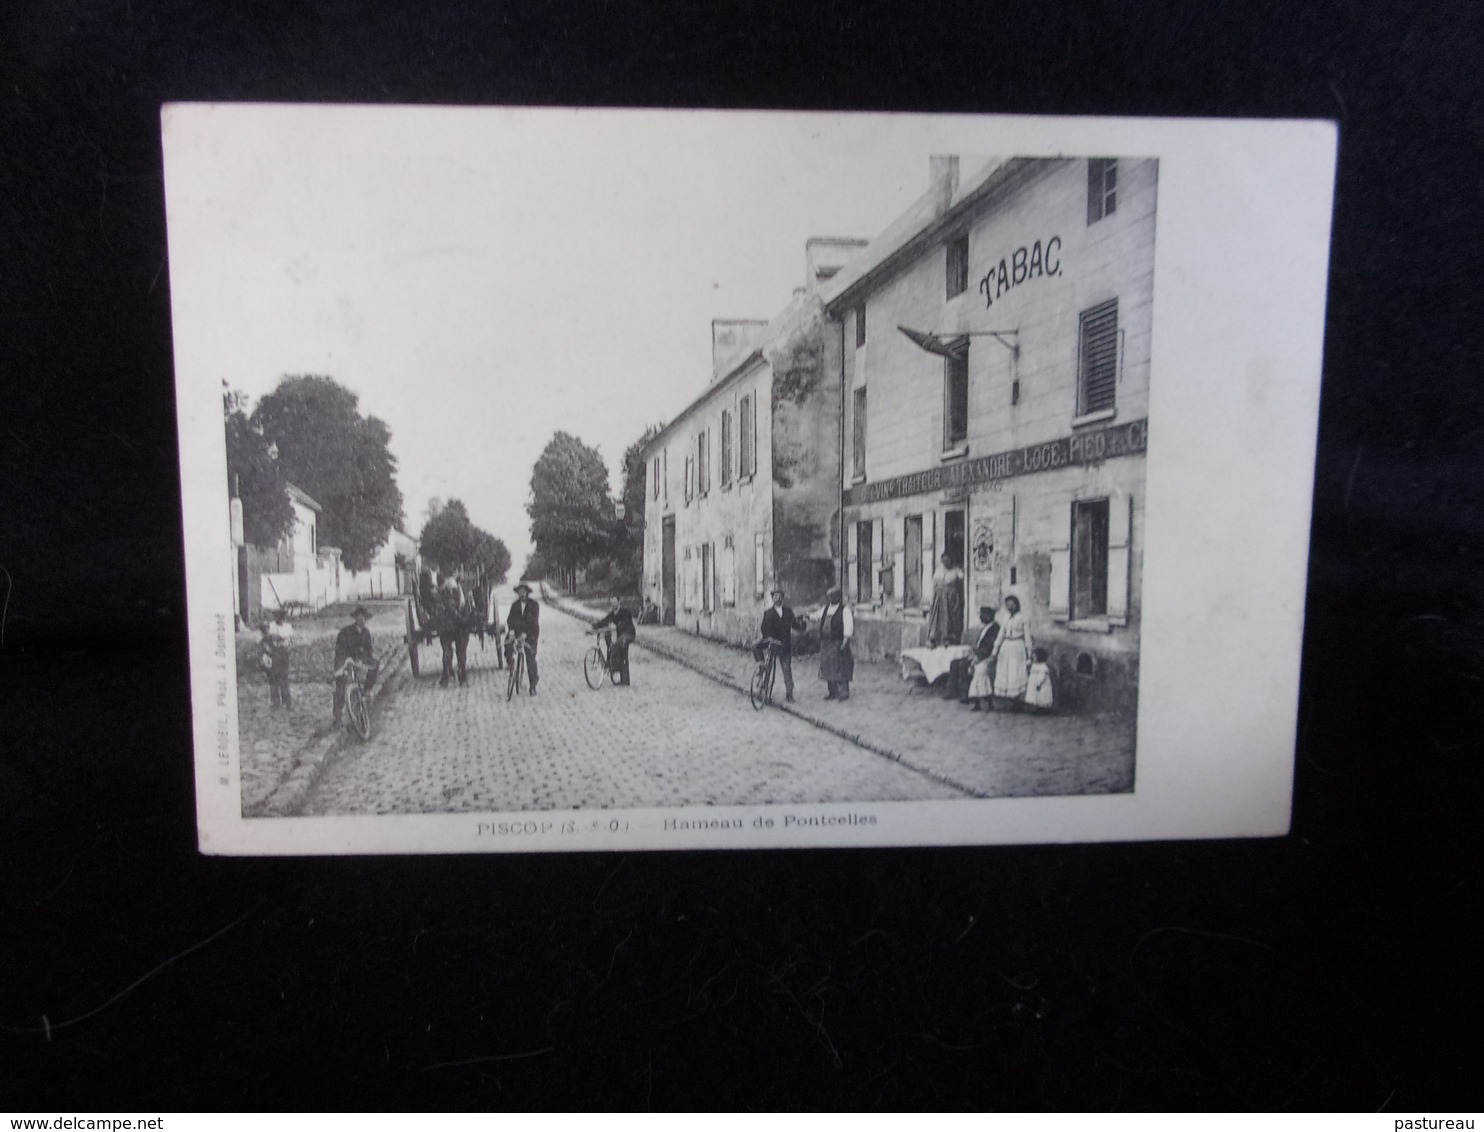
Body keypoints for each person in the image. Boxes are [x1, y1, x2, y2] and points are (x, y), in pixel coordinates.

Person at [753, 587, 808, 702]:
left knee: (786, 669)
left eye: (779, 596)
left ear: (782, 598)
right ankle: (764, 689)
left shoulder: (788, 611)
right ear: (772, 598)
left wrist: (803, 624)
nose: (777, 598)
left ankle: (789, 694)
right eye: (775, 596)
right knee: (766, 665)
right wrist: (769, 638)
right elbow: (764, 628)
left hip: (784, 645)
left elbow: (794, 625)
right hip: (772, 643)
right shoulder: (768, 613)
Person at [332, 606, 379, 725]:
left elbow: (369, 650)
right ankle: (337, 716)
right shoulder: (346, 632)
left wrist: (362, 659)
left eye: (364, 618)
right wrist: (347, 661)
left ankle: (367, 690)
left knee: (375, 663)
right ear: (355, 619)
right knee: (341, 685)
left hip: (359, 660)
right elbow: (340, 650)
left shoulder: (366, 633)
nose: (362, 620)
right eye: (359, 617)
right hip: (344, 659)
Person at [989, 594, 1033, 707]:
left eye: (1012, 604)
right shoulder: (1005, 619)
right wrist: (995, 652)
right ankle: (1010, 698)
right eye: (1007, 605)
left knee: (1016, 672)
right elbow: (1000, 635)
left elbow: (1027, 636)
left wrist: (1029, 654)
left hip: (1017, 646)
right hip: (1006, 647)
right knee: (1006, 672)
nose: (1009, 607)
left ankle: (1018, 700)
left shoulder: (1023, 618)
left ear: (1017, 605)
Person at [959, 605, 1002, 710]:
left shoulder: (995, 628)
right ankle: (962, 693)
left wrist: (977, 654)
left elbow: (990, 647)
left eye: (983, 615)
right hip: (979, 654)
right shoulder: (986, 627)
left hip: (985, 657)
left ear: (989, 616)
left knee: (963, 665)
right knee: (956, 663)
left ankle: (969, 695)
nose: (980, 618)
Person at [817, 585, 855, 700]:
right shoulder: (826, 608)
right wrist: (807, 616)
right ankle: (832, 692)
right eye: (829, 597)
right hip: (826, 643)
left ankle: (843, 692)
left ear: (838, 597)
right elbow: (817, 615)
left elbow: (849, 626)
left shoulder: (845, 610)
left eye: (833, 596)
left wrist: (845, 640)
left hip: (838, 642)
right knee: (828, 667)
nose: (831, 599)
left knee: (841, 667)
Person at [434, 574, 472, 687]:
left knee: (453, 651)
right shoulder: (458, 592)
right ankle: (458, 675)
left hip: (453, 625)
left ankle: (450, 675)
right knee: (454, 651)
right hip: (454, 624)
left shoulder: (445, 593)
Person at [592, 596, 637, 686]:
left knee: (619, 648)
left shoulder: (625, 612)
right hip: (620, 635)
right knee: (612, 644)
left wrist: (617, 627)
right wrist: (595, 626)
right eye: (611, 602)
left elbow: (625, 623)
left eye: (615, 602)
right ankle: (620, 675)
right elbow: (605, 621)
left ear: (619, 602)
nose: (613, 604)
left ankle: (617, 670)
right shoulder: (612, 614)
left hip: (628, 634)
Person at [505, 582, 541, 694]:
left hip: (531, 634)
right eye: (520, 591)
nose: (522, 593)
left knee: (530, 658)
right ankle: (510, 662)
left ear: (527, 592)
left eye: (524, 591)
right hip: (517, 632)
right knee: (507, 643)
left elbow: (533, 622)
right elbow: (510, 619)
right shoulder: (515, 605)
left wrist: (526, 634)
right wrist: (511, 631)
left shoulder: (534, 605)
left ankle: (533, 684)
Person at [927, 552, 965, 647]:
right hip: (939, 598)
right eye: (944, 561)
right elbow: (934, 584)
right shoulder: (939, 570)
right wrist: (932, 599)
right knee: (937, 618)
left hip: (951, 598)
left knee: (951, 618)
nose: (946, 562)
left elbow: (961, 580)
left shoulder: (956, 570)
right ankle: (936, 639)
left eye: (948, 560)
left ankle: (949, 638)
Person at [1024, 647, 1055, 713]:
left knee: (1042, 695)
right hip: (1033, 683)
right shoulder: (1034, 665)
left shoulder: (1043, 667)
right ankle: (1034, 706)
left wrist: (1039, 683)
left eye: (1034, 657)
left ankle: (1042, 708)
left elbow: (1042, 676)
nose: (1033, 658)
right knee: (1033, 695)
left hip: (1040, 684)